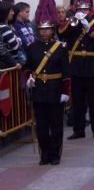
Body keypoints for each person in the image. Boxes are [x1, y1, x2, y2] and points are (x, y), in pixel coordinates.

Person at [60, 0, 94, 140]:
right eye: (80, 9)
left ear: (90, 9)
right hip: (77, 67)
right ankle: (78, 130)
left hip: (93, 66)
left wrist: (89, 28)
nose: (83, 11)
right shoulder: (73, 22)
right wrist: (74, 21)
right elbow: (61, 33)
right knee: (78, 102)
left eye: (85, 9)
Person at [26, 13, 70, 166]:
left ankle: (55, 154)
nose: (44, 32)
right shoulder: (32, 47)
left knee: (56, 125)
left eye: (47, 29)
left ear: (52, 30)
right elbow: (28, 67)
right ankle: (44, 154)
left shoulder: (61, 47)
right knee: (42, 126)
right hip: (39, 91)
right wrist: (28, 78)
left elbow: (66, 72)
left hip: (55, 89)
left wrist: (65, 92)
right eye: (41, 29)